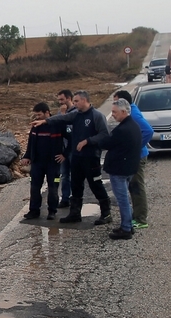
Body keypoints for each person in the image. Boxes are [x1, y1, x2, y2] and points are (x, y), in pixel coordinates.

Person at [39, 90, 111, 224]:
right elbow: (61, 118)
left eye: (77, 101)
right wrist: (45, 121)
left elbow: (104, 135)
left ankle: (106, 213)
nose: (74, 104)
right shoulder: (75, 115)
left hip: (91, 157)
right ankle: (75, 213)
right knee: (76, 185)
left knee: (95, 184)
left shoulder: (97, 116)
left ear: (84, 100)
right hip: (77, 158)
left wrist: (87, 141)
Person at [81, 98, 142, 239]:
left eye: (114, 112)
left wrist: (94, 139)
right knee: (124, 198)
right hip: (129, 168)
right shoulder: (134, 126)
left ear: (124, 111)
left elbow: (106, 143)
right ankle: (128, 225)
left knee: (122, 200)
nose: (112, 114)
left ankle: (126, 229)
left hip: (120, 170)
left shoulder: (123, 129)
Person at [113, 89, 153, 229]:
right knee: (132, 186)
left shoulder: (134, 115)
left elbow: (148, 131)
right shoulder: (132, 111)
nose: (114, 104)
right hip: (135, 156)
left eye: (116, 101)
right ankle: (136, 216)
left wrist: (136, 147)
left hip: (138, 156)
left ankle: (141, 219)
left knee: (137, 187)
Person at [19, 102, 61, 220]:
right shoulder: (35, 126)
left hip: (53, 163)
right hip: (37, 162)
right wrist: (27, 156)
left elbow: (71, 139)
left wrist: (64, 154)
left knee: (53, 188)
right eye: (35, 115)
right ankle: (34, 211)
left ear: (47, 113)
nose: (37, 117)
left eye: (39, 115)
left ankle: (52, 211)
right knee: (34, 187)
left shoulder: (56, 124)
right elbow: (31, 142)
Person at [53, 89, 74, 206]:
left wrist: (63, 116)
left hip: (73, 149)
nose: (60, 102)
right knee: (65, 175)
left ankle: (75, 198)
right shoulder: (60, 112)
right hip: (63, 149)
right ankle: (65, 198)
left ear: (68, 98)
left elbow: (70, 131)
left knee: (75, 175)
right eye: (59, 100)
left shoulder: (75, 112)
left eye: (62, 99)